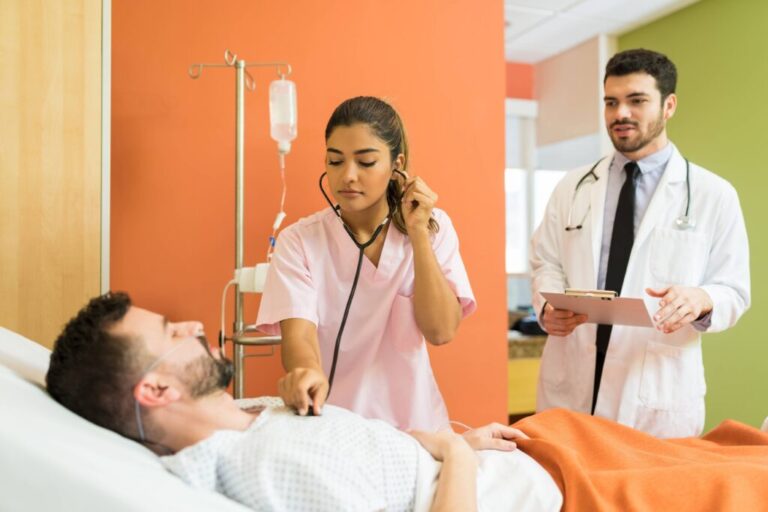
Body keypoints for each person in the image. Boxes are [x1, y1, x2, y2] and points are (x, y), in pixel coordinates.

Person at [46, 293, 768, 512]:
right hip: (542, 493)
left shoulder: (263, 415)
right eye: (173, 334)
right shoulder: (265, 468)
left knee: (722, 449)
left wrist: (450, 438)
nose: (196, 322)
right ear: (157, 390)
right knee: (736, 484)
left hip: (522, 452)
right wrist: (453, 450)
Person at [530, 48, 750, 438]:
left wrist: (701, 298)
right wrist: (548, 305)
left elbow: (733, 290)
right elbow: (546, 260)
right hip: (573, 378)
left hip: (654, 390)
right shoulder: (573, 187)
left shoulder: (712, 194)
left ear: (669, 105)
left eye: (637, 101)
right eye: (611, 102)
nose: (621, 114)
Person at [255, 96, 476, 431]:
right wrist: (306, 371)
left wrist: (417, 233)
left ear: (396, 164)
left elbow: (442, 330)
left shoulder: (433, 226)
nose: (348, 176)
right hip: (335, 426)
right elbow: (298, 337)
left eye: (366, 162)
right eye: (335, 161)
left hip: (417, 428)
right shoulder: (298, 241)